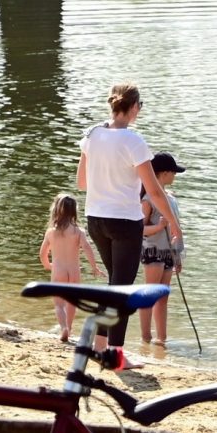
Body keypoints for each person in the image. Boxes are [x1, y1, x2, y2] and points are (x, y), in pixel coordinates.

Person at [77, 85, 180, 348]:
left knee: (114, 284)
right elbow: (155, 192)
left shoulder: (91, 135)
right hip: (124, 222)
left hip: (95, 219)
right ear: (133, 107)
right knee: (122, 290)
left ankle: (99, 346)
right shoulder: (134, 141)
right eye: (140, 105)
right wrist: (175, 223)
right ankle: (115, 353)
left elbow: (81, 182)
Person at [137, 153, 186, 349]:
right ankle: (146, 337)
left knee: (163, 298)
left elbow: (177, 229)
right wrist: (158, 227)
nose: (175, 176)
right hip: (153, 251)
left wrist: (177, 255)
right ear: (164, 173)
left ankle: (162, 339)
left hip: (168, 253)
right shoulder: (148, 199)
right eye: (173, 172)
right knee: (149, 295)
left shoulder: (170, 199)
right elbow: (139, 228)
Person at [39, 193, 98, 338]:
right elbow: (87, 248)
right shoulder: (79, 231)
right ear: (74, 212)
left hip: (58, 271)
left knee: (59, 304)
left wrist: (47, 265)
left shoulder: (51, 232)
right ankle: (69, 328)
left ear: (56, 210)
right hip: (74, 271)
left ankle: (63, 327)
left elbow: (42, 253)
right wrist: (94, 266)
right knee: (72, 302)